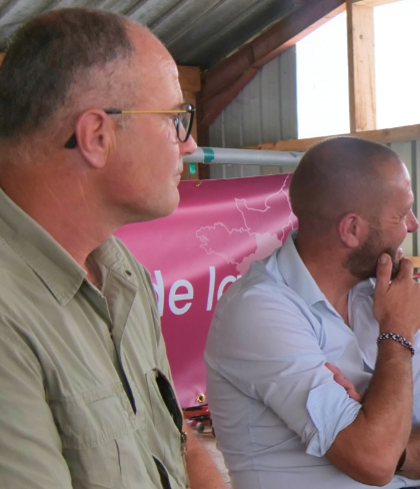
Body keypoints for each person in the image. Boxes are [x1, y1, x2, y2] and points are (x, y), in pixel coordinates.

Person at [0, 8, 225, 489]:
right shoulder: (8, 311)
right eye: (175, 119)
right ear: (97, 136)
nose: (189, 146)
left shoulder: (121, 271)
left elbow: (173, 438)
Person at [204, 137, 420, 489]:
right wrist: (397, 337)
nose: (413, 224)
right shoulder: (260, 310)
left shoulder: (381, 297)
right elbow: (374, 462)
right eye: (402, 213)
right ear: (352, 230)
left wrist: (394, 449)